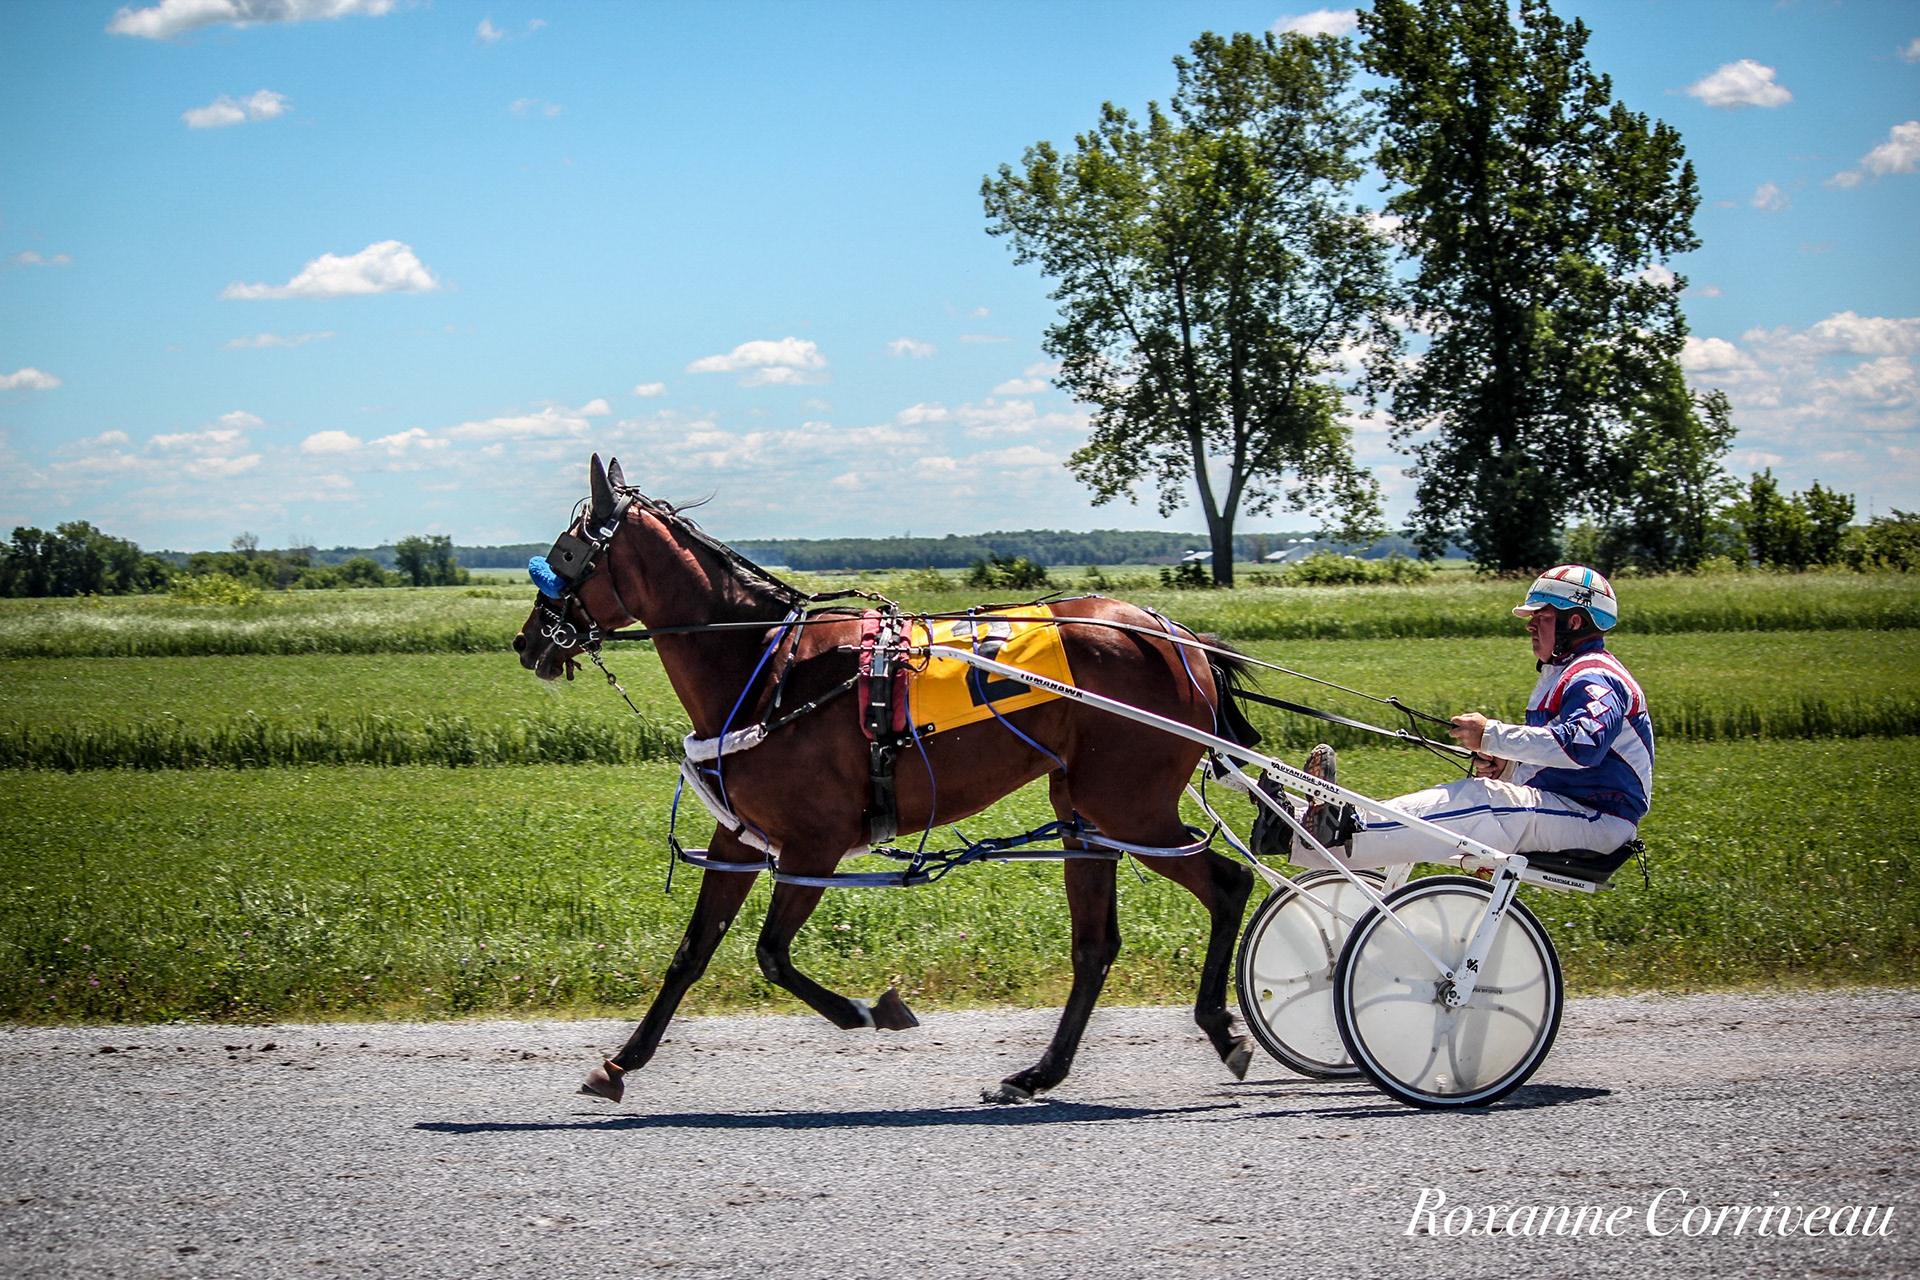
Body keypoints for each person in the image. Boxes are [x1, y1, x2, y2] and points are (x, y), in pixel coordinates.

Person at [1292, 565, 1652, 870]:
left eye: (1541, 616)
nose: (1529, 626)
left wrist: (1491, 735)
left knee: (1483, 801)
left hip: (1599, 819)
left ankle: (1338, 827)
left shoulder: (1595, 675)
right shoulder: (1564, 674)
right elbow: (1562, 764)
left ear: (1573, 622)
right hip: (1574, 808)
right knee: (1472, 798)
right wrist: (1508, 767)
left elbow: (1581, 747)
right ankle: (1312, 828)